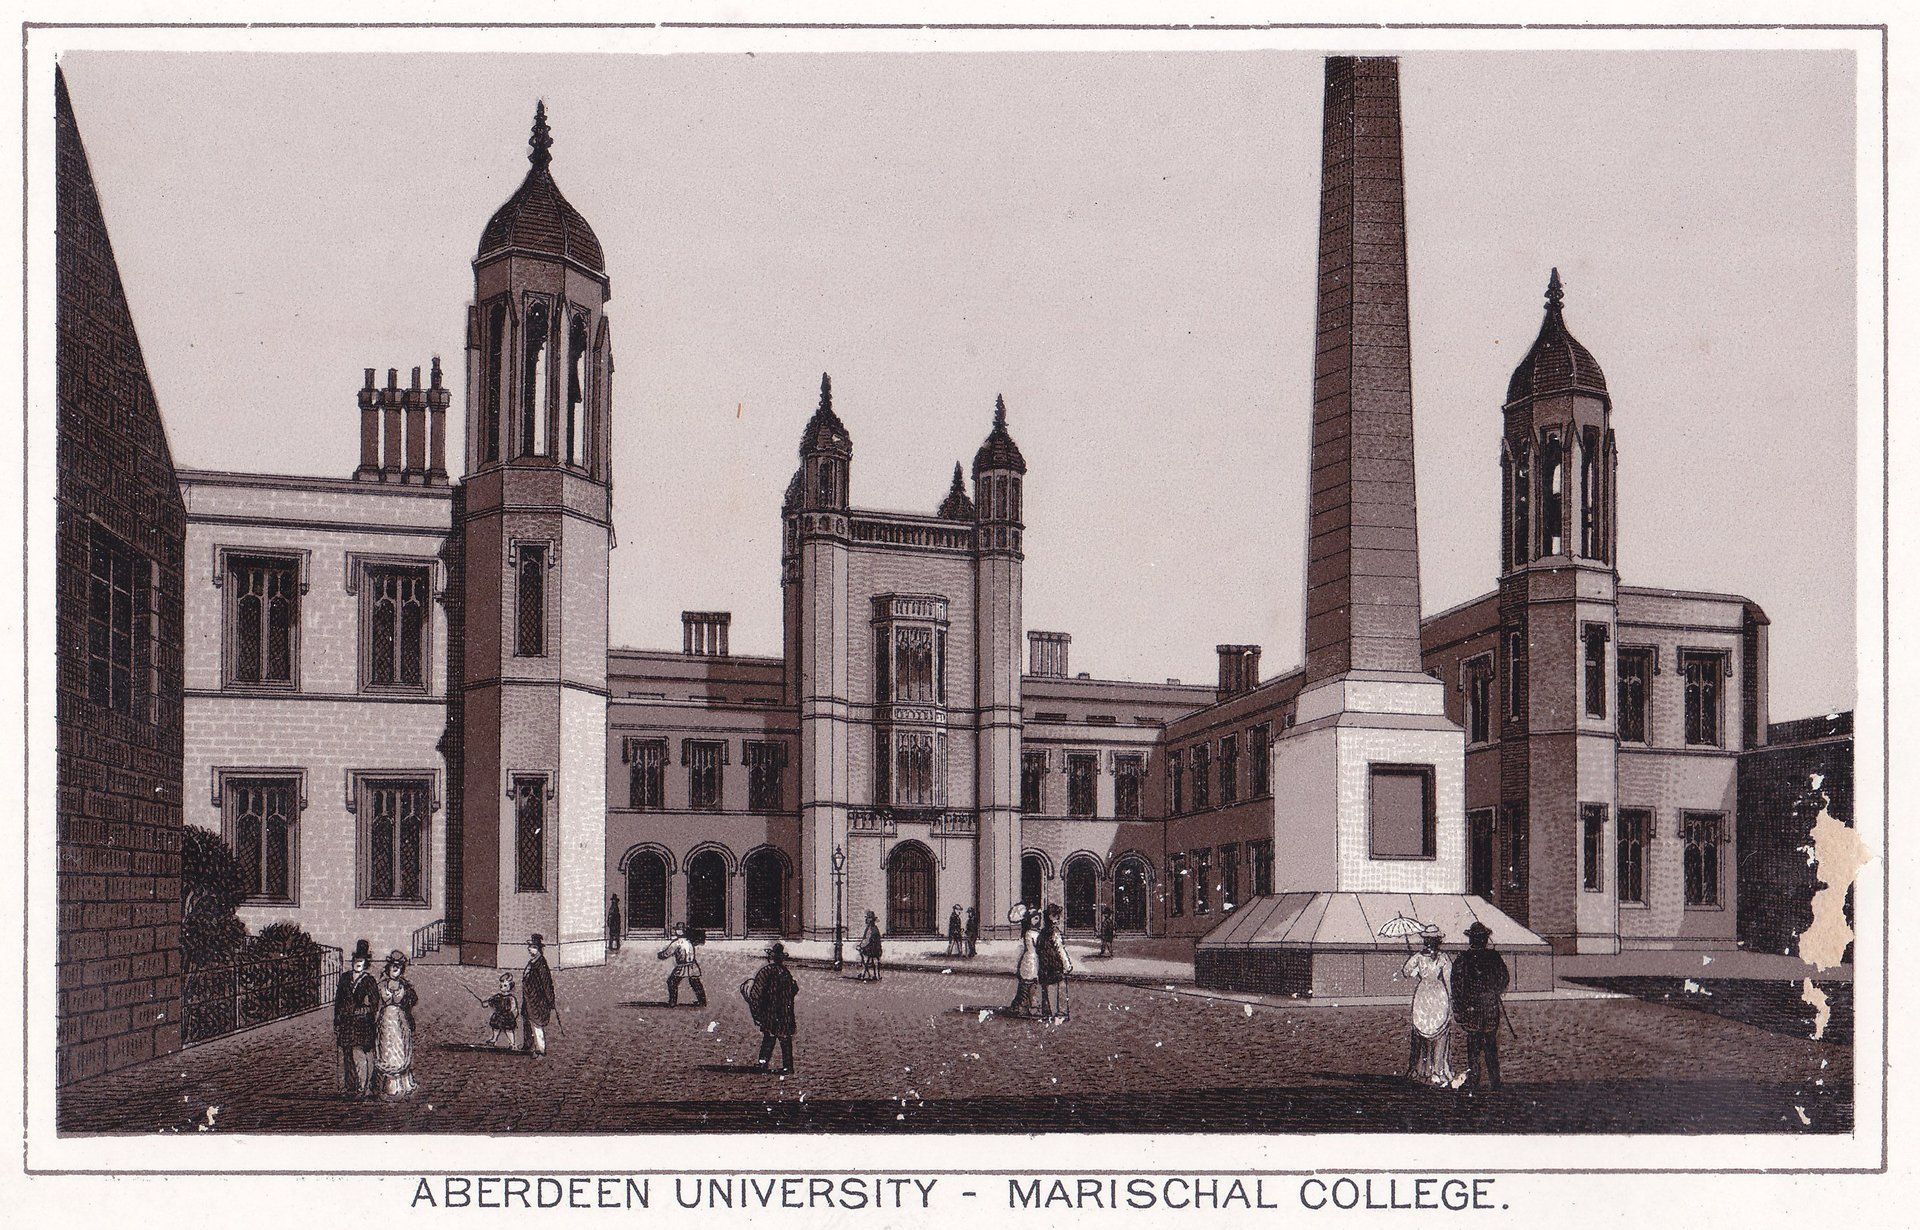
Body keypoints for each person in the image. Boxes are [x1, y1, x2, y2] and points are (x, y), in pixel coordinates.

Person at [1451, 920, 1512, 1092]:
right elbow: (1504, 979)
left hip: (1474, 1007)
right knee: (1488, 1045)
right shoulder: (1491, 957)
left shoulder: (1464, 958)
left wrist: (1459, 1009)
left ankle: (1477, 1081)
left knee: (1475, 1047)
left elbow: (1456, 986)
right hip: (1486, 1006)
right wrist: (1494, 991)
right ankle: (1493, 1082)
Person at [1396, 928, 1458, 1087]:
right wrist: (1451, 999)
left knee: (1424, 1033)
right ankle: (1437, 1071)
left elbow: (1406, 972)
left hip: (1424, 994)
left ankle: (1422, 1070)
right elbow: (1449, 980)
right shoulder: (1443, 958)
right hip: (1437, 994)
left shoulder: (1418, 957)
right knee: (1438, 1032)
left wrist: (1418, 971)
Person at [742, 942, 800, 1074]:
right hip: (785, 1012)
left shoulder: (765, 971)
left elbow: (756, 994)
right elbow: (794, 989)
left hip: (771, 1012)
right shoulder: (785, 972)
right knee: (785, 1040)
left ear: (770, 958)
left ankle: (763, 1063)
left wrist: (756, 1011)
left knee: (769, 1038)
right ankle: (788, 1066)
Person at [331, 939, 378, 1100]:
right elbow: (338, 1001)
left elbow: (374, 1004)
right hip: (346, 1022)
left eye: (361, 961)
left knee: (360, 1054)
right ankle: (349, 1087)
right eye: (356, 960)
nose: (358, 963)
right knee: (347, 1055)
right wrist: (337, 1021)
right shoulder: (345, 978)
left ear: (366, 963)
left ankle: (363, 1087)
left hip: (362, 1024)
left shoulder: (369, 981)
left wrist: (362, 1010)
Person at [372, 950, 419, 1099]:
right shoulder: (381, 985)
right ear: (388, 968)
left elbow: (413, 1001)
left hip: (400, 1021)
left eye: (398, 968)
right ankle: (386, 1085)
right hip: (385, 1021)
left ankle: (402, 1084)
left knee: (400, 1049)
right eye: (392, 967)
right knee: (386, 1049)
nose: (395, 971)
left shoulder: (405, 986)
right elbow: (375, 1003)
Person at [1037, 903, 1074, 1022]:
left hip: (1045, 964)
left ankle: (1047, 1011)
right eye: (1056, 916)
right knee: (1061, 987)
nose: (1058, 918)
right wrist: (1067, 965)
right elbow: (1060, 949)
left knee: (1046, 988)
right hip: (1055, 964)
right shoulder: (1055, 932)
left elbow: (1039, 949)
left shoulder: (1042, 932)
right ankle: (1061, 1012)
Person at [522, 933, 557, 1054]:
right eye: (529, 947)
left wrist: (550, 1000)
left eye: (532, 947)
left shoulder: (541, 964)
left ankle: (540, 1049)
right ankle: (528, 1045)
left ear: (537, 949)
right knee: (527, 1021)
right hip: (529, 999)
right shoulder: (532, 962)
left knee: (537, 1023)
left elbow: (546, 983)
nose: (529, 949)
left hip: (537, 1000)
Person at [658, 922, 706, 1007]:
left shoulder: (676, 943)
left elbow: (666, 954)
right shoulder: (689, 941)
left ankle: (672, 1002)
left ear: (679, 932)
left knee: (672, 982)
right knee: (695, 983)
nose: (675, 931)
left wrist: (660, 955)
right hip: (692, 965)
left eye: (676, 930)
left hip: (682, 966)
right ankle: (702, 1001)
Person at [1007, 909, 1040, 1017]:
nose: (1038, 919)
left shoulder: (1032, 932)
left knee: (1030, 985)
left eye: (1038, 917)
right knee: (1027, 986)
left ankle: (1029, 1006)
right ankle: (1021, 1007)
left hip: (1032, 960)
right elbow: (1037, 946)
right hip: (1030, 961)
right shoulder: (1031, 933)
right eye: (1035, 918)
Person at [482, 973, 519, 1049]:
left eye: (505, 986)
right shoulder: (497, 996)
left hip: (507, 1016)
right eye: (501, 986)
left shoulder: (511, 998)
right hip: (498, 1015)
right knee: (496, 1027)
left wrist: (513, 1015)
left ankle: (512, 1044)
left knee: (509, 1030)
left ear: (510, 987)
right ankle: (494, 1039)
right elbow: (489, 1002)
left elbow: (514, 1008)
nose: (502, 987)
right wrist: (485, 1003)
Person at [857, 911, 883, 982]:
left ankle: (863, 974)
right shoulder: (875, 928)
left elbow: (867, 939)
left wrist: (860, 946)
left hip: (870, 949)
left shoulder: (870, 929)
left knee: (865, 960)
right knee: (875, 961)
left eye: (867, 919)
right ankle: (876, 975)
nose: (866, 920)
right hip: (876, 949)